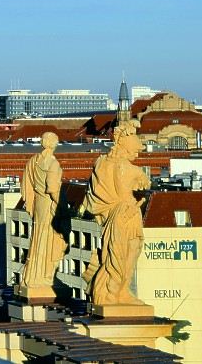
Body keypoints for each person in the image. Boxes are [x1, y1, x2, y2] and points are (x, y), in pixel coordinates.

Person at [83, 121, 150, 306]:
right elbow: (138, 189)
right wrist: (141, 190)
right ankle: (118, 292)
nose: (138, 152)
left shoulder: (102, 164)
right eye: (136, 150)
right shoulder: (131, 170)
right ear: (128, 147)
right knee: (127, 253)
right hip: (127, 215)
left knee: (114, 254)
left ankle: (113, 291)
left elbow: (95, 196)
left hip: (113, 216)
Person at [19, 132, 66, 294]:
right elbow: (53, 188)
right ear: (53, 144)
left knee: (38, 237)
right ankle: (44, 276)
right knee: (50, 239)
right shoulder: (53, 164)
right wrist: (63, 206)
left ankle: (33, 274)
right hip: (49, 204)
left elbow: (27, 184)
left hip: (38, 202)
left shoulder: (34, 160)